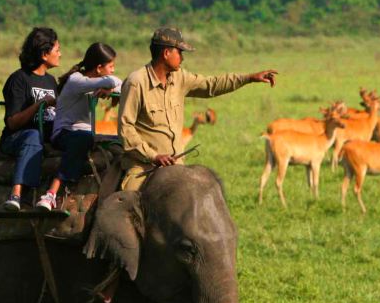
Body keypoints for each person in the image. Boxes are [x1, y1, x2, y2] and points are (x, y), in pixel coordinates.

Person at [118, 27, 277, 191]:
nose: (182, 58)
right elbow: (126, 129)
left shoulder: (180, 77)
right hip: (144, 167)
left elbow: (211, 85)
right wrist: (154, 156)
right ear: (166, 53)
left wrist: (249, 78)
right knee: (130, 203)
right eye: (179, 53)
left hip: (176, 166)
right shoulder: (136, 83)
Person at [35, 42, 122, 210]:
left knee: (119, 141)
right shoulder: (77, 80)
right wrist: (110, 86)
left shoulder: (94, 82)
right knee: (83, 138)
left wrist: (110, 90)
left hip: (86, 133)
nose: (113, 70)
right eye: (110, 66)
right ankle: (52, 193)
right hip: (65, 133)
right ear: (98, 68)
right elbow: (114, 80)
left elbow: (121, 84)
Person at [0, 27, 61, 211]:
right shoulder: (19, 79)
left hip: (46, 136)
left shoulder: (51, 81)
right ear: (44, 54)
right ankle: (16, 194)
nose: (60, 54)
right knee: (33, 136)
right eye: (57, 50)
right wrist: (39, 105)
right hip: (18, 138)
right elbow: (12, 122)